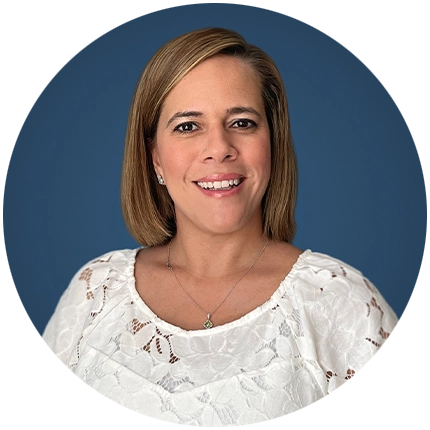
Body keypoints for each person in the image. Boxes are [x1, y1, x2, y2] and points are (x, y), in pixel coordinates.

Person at [37, 27, 400, 426]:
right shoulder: (93, 293)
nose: (219, 148)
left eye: (242, 122)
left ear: (273, 143)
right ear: (155, 158)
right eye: (188, 126)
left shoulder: (343, 304)